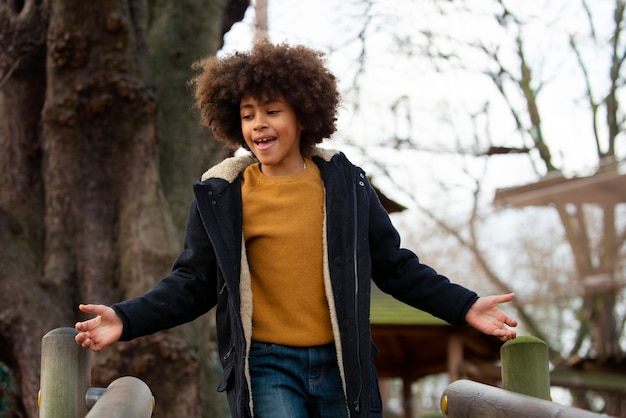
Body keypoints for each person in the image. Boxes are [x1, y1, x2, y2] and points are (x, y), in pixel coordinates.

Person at [75, 41, 517, 418]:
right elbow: (192, 283)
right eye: (248, 115)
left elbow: (396, 266)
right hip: (267, 367)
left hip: (343, 365)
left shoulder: (346, 185)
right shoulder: (222, 195)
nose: (258, 124)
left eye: (272, 111)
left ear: (303, 115)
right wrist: (127, 317)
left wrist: (465, 306)